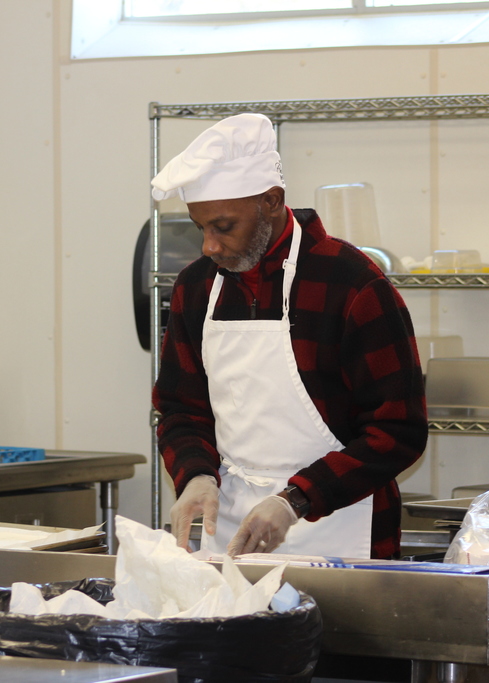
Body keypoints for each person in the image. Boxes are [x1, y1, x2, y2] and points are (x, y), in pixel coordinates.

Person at [151, 114, 427, 560]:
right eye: (200, 227)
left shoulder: (352, 284)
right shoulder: (196, 287)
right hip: (229, 527)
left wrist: (293, 500)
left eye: (223, 227)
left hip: (340, 526)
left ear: (272, 200)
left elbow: (397, 431)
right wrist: (197, 475)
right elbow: (182, 408)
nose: (209, 246)